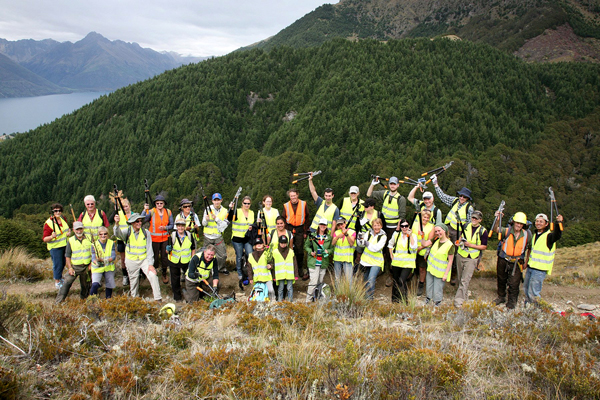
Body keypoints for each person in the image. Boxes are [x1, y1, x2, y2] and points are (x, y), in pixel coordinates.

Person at [431, 174, 474, 284]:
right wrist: (436, 185)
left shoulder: (469, 209)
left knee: (454, 253)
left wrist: (462, 237)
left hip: (459, 232)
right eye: (460, 195)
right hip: (448, 228)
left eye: (464, 197)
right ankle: (440, 270)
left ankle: (453, 274)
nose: (461, 198)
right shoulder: (455, 201)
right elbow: (443, 196)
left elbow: (469, 225)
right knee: (441, 248)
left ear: (468, 198)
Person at [113, 213, 162, 301]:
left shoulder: (146, 233)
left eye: (140, 221)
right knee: (133, 281)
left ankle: (158, 299)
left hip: (144, 260)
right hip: (131, 261)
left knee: (153, 275)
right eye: (137, 221)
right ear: (132, 223)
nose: (139, 223)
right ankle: (134, 300)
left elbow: (149, 249)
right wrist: (116, 224)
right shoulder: (127, 231)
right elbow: (117, 234)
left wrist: (151, 264)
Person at [491, 211, 531, 309]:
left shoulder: (527, 235)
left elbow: (529, 248)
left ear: (523, 225)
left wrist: (526, 261)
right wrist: (498, 219)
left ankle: (512, 302)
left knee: (514, 282)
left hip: (517, 261)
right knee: (501, 279)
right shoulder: (507, 230)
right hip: (503, 259)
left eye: (521, 223)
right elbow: (496, 229)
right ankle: (501, 297)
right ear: (513, 222)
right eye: (517, 222)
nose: (518, 225)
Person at [523, 213, 563, 307]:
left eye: (541, 221)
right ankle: (528, 308)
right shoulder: (535, 235)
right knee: (526, 288)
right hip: (531, 267)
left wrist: (558, 222)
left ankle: (536, 310)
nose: (538, 223)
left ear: (546, 224)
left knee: (533, 292)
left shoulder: (549, 236)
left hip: (540, 270)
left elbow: (557, 235)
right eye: (537, 221)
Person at [454, 210, 488, 307]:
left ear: (480, 220)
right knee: (460, 278)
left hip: (472, 258)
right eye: (473, 217)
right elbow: (461, 237)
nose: (473, 219)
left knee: (465, 280)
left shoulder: (483, 231)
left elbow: (484, 246)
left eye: (476, 218)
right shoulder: (465, 226)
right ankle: (464, 297)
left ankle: (458, 301)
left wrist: (471, 245)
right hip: (461, 255)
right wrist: (458, 242)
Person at [56, 221, 92, 303]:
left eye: (80, 229)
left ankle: (84, 302)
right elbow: (67, 256)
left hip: (86, 267)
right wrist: (70, 268)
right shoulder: (71, 240)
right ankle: (58, 302)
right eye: (77, 229)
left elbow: (94, 253)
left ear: (83, 229)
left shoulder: (89, 239)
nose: (79, 231)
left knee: (85, 286)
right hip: (75, 267)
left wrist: (90, 265)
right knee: (66, 283)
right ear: (73, 230)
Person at [142, 194, 173, 284]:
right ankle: (153, 272)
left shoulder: (168, 212)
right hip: (154, 239)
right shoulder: (151, 211)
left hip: (165, 239)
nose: (159, 205)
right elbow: (143, 219)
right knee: (154, 257)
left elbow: (171, 225)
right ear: (155, 204)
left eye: (161, 203)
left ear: (164, 204)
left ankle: (164, 273)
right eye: (157, 203)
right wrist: (145, 210)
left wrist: (165, 228)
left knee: (164, 257)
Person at [281, 188, 311, 280]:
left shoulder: (303, 204)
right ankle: (289, 268)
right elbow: (283, 218)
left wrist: (305, 231)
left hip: (300, 229)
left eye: (294, 195)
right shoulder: (286, 205)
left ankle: (300, 269)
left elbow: (307, 217)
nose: (293, 197)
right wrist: (285, 231)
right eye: (291, 196)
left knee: (299, 250)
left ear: (297, 195)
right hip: (289, 228)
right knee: (288, 249)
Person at [356, 218, 387, 300]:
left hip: (376, 262)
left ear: (381, 226)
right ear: (372, 226)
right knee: (365, 280)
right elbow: (361, 244)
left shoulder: (383, 237)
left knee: (371, 280)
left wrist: (367, 243)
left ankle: (369, 299)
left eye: (378, 225)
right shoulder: (368, 233)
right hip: (366, 261)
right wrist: (360, 238)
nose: (376, 227)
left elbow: (376, 248)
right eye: (375, 225)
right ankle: (365, 297)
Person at [424, 224, 455, 306]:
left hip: (440, 272)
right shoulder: (435, 239)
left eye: (439, 231)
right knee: (429, 285)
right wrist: (422, 236)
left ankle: (437, 302)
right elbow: (424, 244)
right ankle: (428, 299)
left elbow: (450, 261)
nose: (437, 233)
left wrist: (445, 274)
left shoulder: (450, 245)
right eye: (436, 231)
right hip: (431, 268)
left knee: (437, 288)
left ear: (444, 231)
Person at [389, 219, 418, 303]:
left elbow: (414, 247)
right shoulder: (396, 235)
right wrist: (391, 255)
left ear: (409, 227)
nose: (404, 228)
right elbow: (390, 244)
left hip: (408, 263)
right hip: (397, 262)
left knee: (402, 280)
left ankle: (404, 300)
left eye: (406, 226)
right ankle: (395, 300)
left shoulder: (414, 236)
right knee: (395, 281)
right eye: (402, 226)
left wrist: (411, 236)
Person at [229, 195, 255, 288]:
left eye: (248, 203)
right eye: (245, 203)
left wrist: (252, 226)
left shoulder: (252, 213)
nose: (247, 205)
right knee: (239, 256)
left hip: (247, 238)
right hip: (237, 238)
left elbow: (252, 223)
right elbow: (230, 217)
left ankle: (250, 272)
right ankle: (240, 273)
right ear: (242, 204)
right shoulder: (237, 211)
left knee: (250, 254)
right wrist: (231, 209)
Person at [202, 193, 230, 276]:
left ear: (221, 200)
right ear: (212, 201)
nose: (216, 202)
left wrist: (216, 219)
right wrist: (206, 220)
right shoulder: (208, 209)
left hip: (218, 236)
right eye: (215, 200)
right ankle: (206, 269)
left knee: (222, 255)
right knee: (206, 255)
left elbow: (225, 224)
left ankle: (219, 269)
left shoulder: (225, 211)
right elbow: (203, 224)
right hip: (208, 236)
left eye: (218, 200)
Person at [42, 203, 70, 289]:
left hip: (64, 245)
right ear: (52, 212)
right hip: (55, 247)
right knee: (58, 264)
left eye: (59, 210)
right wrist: (51, 236)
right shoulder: (49, 223)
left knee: (63, 263)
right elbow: (45, 239)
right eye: (56, 211)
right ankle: (57, 282)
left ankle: (60, 278)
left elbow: (66, 229)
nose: (58, 212)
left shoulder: (63, 218)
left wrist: (69, 232)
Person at [168, 218, 196, 302]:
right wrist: (167, 249)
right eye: (179, 226)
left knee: (189, 278)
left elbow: (193, 248)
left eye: (182, 226)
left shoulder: (189, 235)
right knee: (175, 280)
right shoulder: (172, 236)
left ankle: (191, 295)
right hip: (174, 261)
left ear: (185, 226)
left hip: (186, 261)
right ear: (176, 227)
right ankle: (177, 297)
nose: (180, 228)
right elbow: (167, 250)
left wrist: (192, 260)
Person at [305, 219, 333, 301]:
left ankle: (316, 298)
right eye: (321, 224)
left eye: (324, 224)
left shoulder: (329, 238)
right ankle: (308, 300)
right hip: (313, 263)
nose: (322, 226)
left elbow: (332, 249)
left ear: (326, 226)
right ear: (318, 225)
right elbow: (306, 246)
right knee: (313, 283)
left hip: (323, 263)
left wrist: (329, 251)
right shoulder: (312, 236)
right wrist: (311, 252)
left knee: (320, 282)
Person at [412, 209, 435, 296]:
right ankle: (410, 280)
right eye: (424, 217)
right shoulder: (415, 224)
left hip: (423, 251)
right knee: (412, 266)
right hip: (413, 249)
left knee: (422, 268)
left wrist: (420, 248)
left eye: (428, 217)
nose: (426, 219)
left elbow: (430, 240)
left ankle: (421, 284)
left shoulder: (431, 227)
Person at [111, 197, 133, 286]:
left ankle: (134, 274)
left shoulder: (133, 215)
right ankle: (125, 276)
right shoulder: (118, 215)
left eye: (126, 206)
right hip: (121, 239)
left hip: (131, 240)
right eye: (123, 207)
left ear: (129, 206)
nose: (125, 208)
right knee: (123, 259)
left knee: (132, 258)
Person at [89, 226, 116, 299]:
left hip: (108, 267)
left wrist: (105, 260)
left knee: (109, 284)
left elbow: (113, 256)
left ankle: (108, 299)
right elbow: (93, 257)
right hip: (97, 268)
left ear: (107, 234)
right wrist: (96, 262)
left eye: (105, 234)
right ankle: (92, 300)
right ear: (98, 235)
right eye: (101, 234)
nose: (103, 236)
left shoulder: (111, 243)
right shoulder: (94, 245)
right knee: (95, 284)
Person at [272, 235, 298, 301]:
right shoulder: (275, 252)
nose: (283, 245)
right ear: (279, 243)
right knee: (280, 288)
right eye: (282, 243)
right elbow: (273, 265)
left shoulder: (291, 251)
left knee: (289, 288)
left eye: (285, 243)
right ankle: (280, 301)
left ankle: (290, 301)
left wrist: (296, 274)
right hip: (280, 274)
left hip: (289, 274)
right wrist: (273, 276)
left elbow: (295, 263)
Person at [331, 217, 356, 283]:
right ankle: (338, 293)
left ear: (345, 223)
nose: (340, 226)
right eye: (339, 225)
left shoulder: (352, 232)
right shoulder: (336, 232)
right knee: (337, 278)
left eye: (342, 224)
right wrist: (337, 237)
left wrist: (346, 234)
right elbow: (333, 243)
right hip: (337, 259)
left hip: (347, 259)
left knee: (348, 279)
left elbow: (351, 243)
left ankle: (349, 293)